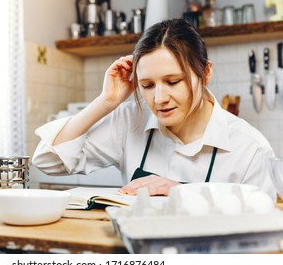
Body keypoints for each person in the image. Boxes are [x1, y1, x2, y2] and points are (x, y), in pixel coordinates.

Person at [32, 18, 276, 200]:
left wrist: (182, 193)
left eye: (173, 82)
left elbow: (264, 232)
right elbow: (48, 161)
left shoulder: (251, 148)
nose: (159, 98)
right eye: (147, 85)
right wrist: (106, 101)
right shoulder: (130, 120)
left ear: (206, 73)